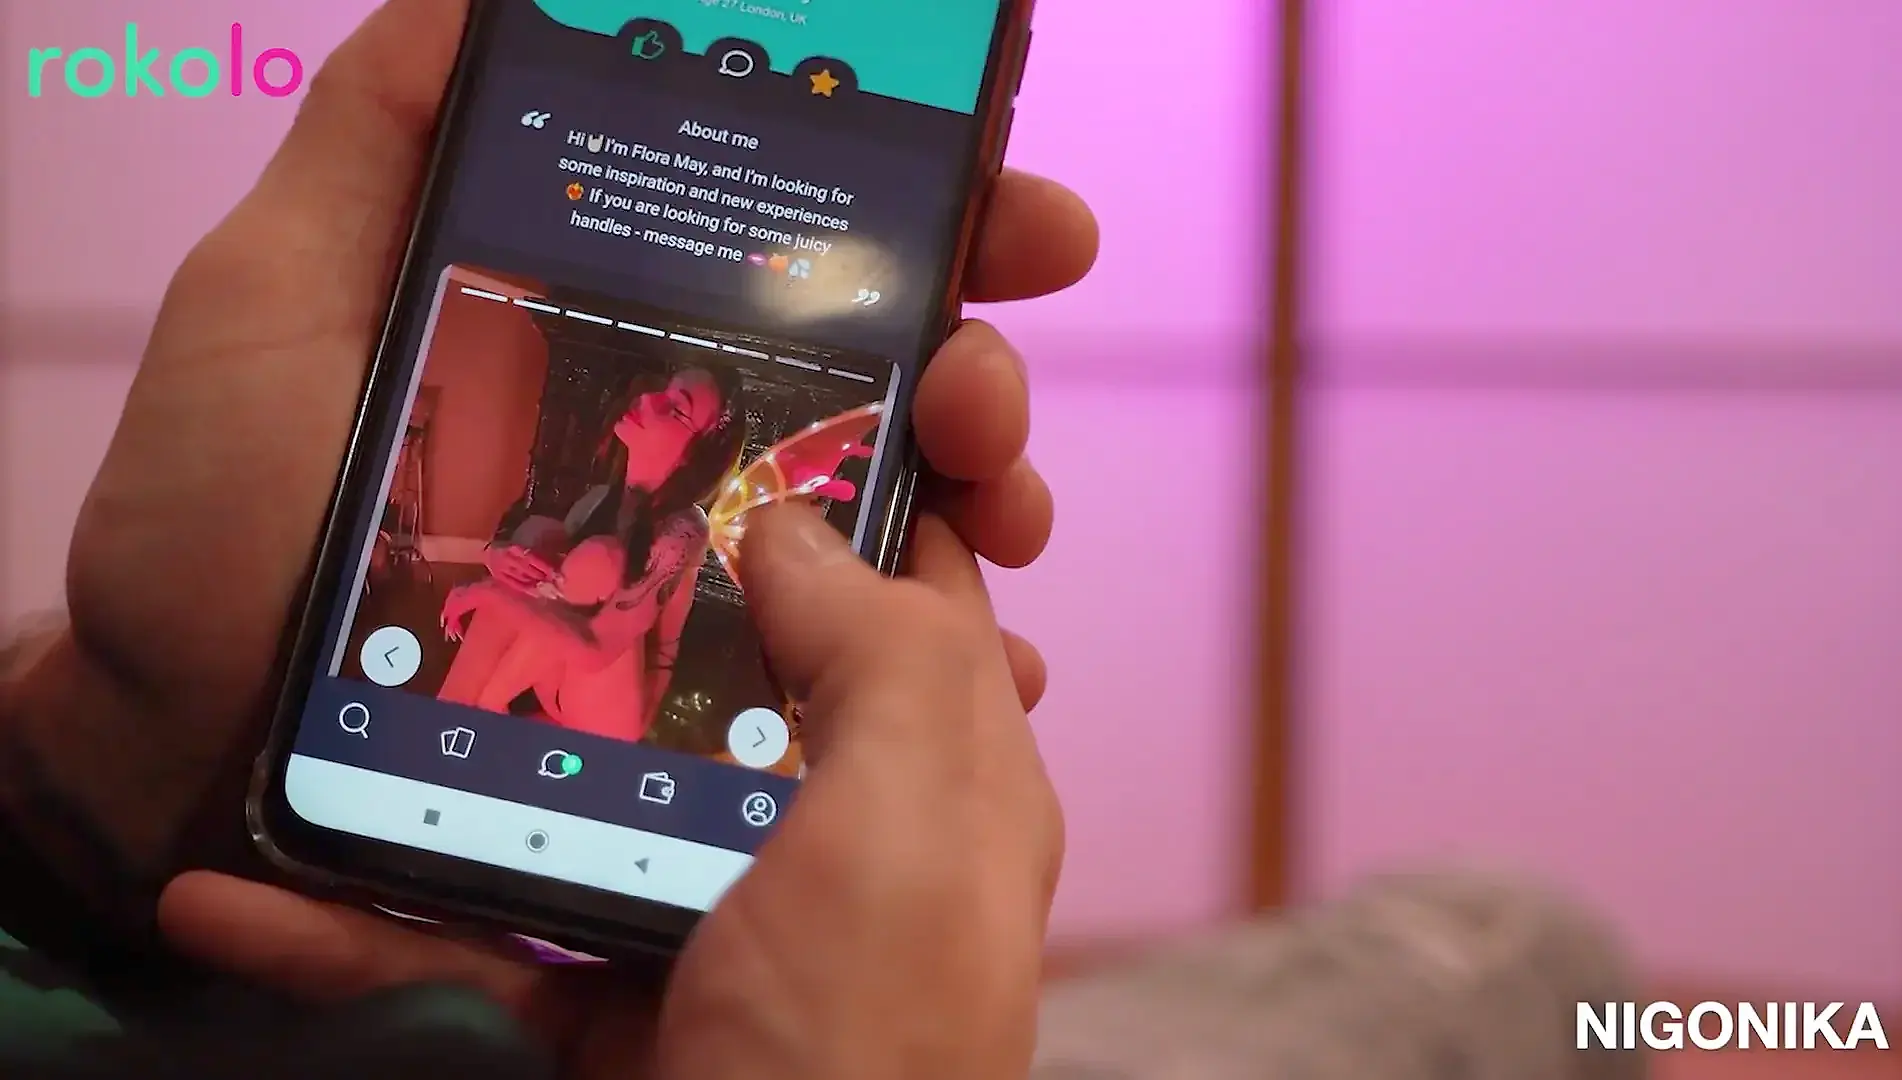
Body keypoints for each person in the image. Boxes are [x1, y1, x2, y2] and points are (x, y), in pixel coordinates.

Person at [0, 0, 1098, 1076]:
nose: (654, 397)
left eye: (680, 400)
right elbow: (519, 577)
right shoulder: (577, 501)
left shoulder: (681, 529)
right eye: (660, 387)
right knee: (507, 612)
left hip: (611, 701)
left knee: (515, 616)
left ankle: (412, 766)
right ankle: (428, 764)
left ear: (701, 438)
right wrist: (500, 570)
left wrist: (512, 591)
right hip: (511, 695)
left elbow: (611, 642)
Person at [438, 364, 749, 740]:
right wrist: (495, 556)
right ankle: (448, 713)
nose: (647, 400)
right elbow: (548, 591)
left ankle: (487, 705)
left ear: (693, 454)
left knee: (600, 560)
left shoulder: (684, 528)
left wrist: (487, 594)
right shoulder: (601, 499)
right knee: (540, 535)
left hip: (610, 712)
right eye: (662, 391)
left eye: (675, 407)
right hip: (556, 681)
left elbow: (596, 650)